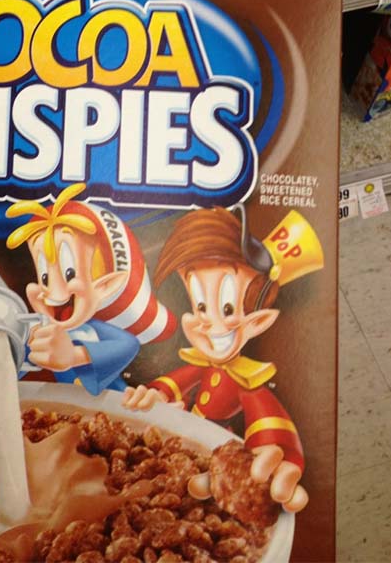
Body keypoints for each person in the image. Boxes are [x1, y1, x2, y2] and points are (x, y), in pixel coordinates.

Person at [123, 205, 324, 513]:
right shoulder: (199, 364)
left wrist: (277, 453)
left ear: (259, 321)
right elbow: (179, 380)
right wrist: (157, 394)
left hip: (218, 445)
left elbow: (266, 415)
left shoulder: (246, 380)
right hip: (184, 437)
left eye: (227, 309)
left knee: (215, 476)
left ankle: (219, 479)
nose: (208, 323)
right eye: (201, 307)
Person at [6, 183, 176, 394]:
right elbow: (11, 365)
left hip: (112, 404)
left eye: (69, 274)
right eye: (45, 277)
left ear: (105, 286)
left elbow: (128, 345)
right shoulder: (40, 331)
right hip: (59, 406)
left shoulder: (95, 330)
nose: (53, 292)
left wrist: (74, 355)